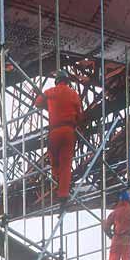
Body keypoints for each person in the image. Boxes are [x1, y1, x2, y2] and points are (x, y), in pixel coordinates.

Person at [37, 69, 82, 209]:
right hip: (68, 131)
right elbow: (80, 116)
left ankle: (55, 176)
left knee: (52, 155)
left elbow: (37, 103)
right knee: (66, 164)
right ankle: (63, 194)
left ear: (56, 81)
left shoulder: (50, 92)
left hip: (54, 131)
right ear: (67, 81)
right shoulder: (74, 94)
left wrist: (50, 108)